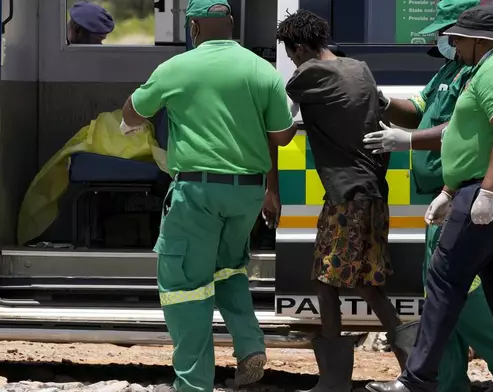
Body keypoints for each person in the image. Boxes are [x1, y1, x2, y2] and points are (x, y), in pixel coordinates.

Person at [364, 5, 493, 392]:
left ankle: (416, 379)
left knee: (445, 280)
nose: (450, 43)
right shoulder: (480, 69)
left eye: (456, 37)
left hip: (492, 192)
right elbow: (469, 136)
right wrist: (450, 190)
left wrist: (486, 193)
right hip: (488, 190)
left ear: (481, 40)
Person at [120, 1, 296, 391]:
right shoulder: (260, 69)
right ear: (231, 23)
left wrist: (130, 117)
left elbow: (135, 112)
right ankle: (249, 343)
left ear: (194, 27)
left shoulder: (177, 67)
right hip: (248, 193)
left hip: (198, 191)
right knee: (228, 267)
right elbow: (282, 136)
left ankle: (193, 383)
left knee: (184, 284)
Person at [275, 9, 407, 392]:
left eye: (292, 53)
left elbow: (286, 105)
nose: (294, 60)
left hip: (346, 196)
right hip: (372, 192)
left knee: (325, 280)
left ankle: (333, 381)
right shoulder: (359, 68)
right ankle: (415, 370)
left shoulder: (308, 76)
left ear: (299, 48)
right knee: (367, 284)